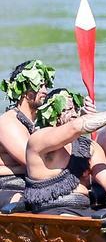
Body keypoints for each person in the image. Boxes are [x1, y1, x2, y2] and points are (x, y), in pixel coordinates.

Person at [23, 89, 106, 215]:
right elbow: (76, 126)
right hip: (53, 211)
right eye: (67, 110)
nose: (74, 114)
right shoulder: (39, 139)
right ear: (52, 114)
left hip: (83, 210)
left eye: (75, 109)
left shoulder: (88, 147)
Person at [0, 60, 55, 202]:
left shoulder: (36, 123)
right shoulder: (9, 122)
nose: (45, 91)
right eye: (39, 85)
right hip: (9, 187)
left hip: (30, 183)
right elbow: (33, 162)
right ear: (24, 90)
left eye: (45, 85)